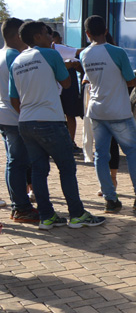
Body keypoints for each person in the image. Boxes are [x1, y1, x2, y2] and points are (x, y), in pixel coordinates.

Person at [9, 21, 105, 229]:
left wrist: (29, 113)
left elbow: (13, 99)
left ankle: (47, 216)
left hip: (26, 122)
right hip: (50, 120)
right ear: (37, 37)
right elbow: (66, 82)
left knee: (38, 170)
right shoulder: (49, 54)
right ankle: (77, 214)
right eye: (46, 34)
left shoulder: (16, 62)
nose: (50, 38)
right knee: (67, 168)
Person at [80, 15, 136, 212]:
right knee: (133, 153)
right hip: (118, 111)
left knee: (101, 155)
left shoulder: (84, 55)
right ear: (106, 30)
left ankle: (111, 199)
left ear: (87, 34)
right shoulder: (117, 52)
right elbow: (131, 80)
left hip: (96, 111)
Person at [1, 18, 35, 222]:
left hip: (4, 116)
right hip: (16, 116)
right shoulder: (17, 57)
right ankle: (21, 206)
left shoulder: (2, 54)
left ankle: (18, 204)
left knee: (12, 162)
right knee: (18, 163)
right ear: (16, 36)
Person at [52, 29, 84, 152]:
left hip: (69, 88)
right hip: (57, 88)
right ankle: (60, 143)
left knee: (70, 114)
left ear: (59, 39)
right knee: (58, 116)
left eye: (55, 41)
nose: (54, 43)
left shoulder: (65, 50)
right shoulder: (49, 52)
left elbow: (79, 66)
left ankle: (70, 141)